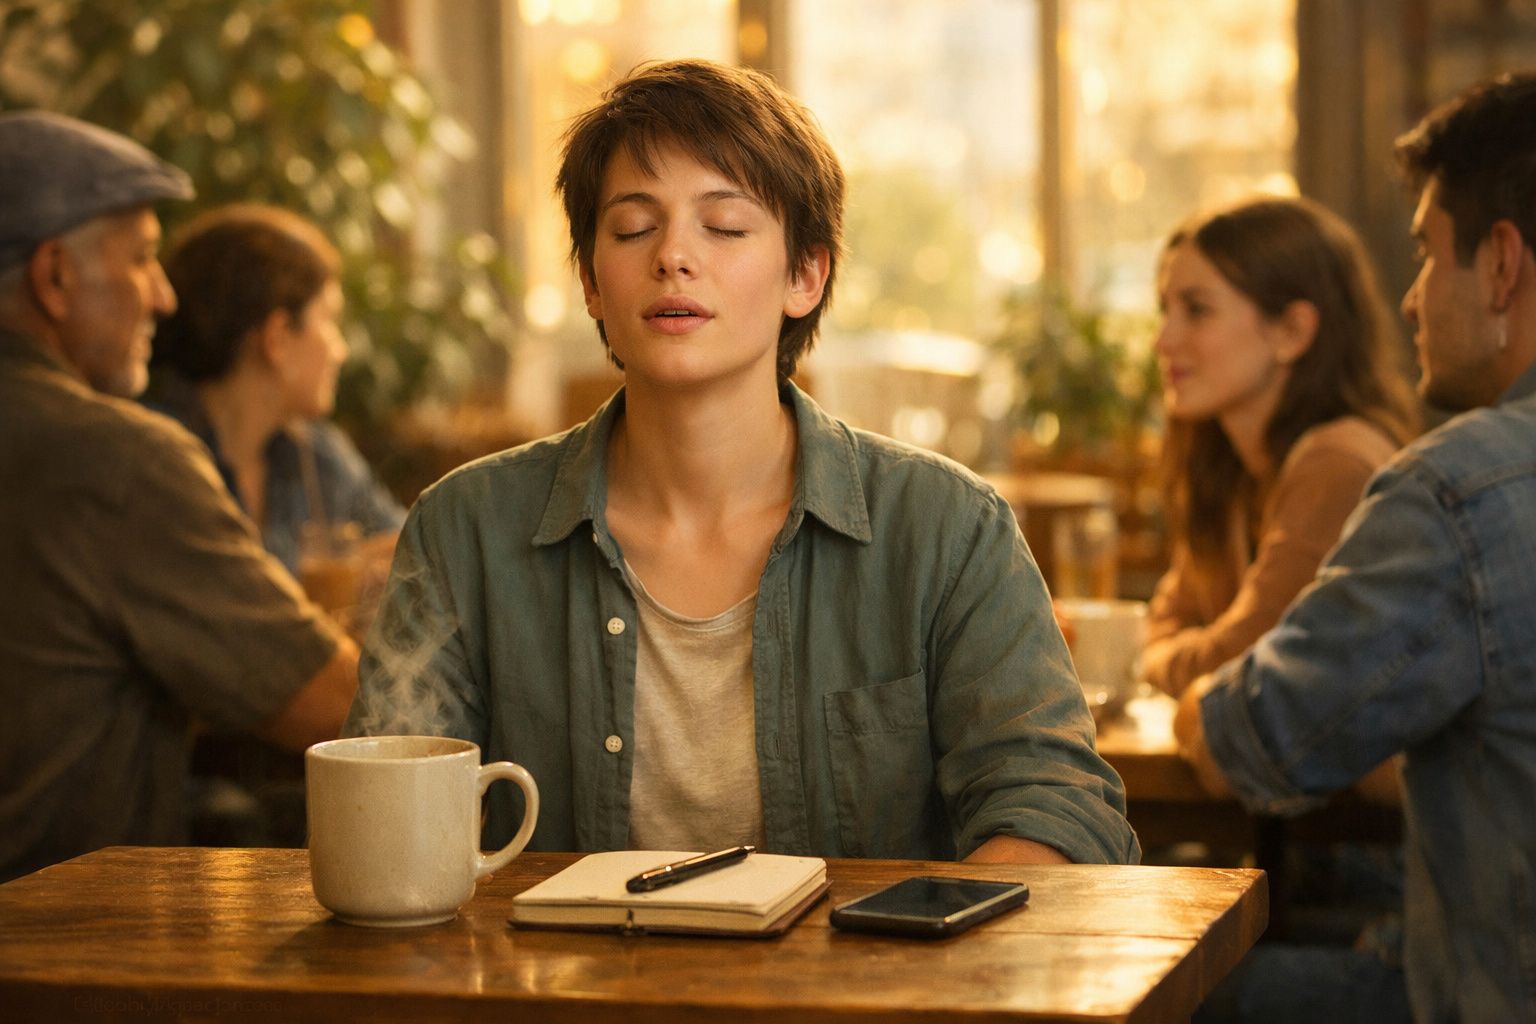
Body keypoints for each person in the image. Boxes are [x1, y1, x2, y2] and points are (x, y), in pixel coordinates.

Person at [345, 60, 1138, 865]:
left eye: (724, 226)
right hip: (562, 989)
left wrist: (909, 961)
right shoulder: (464, 530)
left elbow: (1056, 812)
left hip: (857, 987)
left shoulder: (945, 528)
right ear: (590, 281)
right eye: (631, 229)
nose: (674, 256)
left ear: (805, 274)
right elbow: (381, 820)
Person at [1175, 71, 1536, 1022]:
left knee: (1141, 994)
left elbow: (1255, 738)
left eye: (1426, 256)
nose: (1412, 301)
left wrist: (1193, 693)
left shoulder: (1460, 488)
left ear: (1502, 265)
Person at [0, 111, 358, 883]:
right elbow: (335, 708)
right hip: (59, 953)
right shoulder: (117, 458)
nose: (164, 298)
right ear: (56, 277)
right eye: (141, 259)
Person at [1142, 196, 1419, 697]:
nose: (1164, 339)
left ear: (1292, 331)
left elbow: (1246, 668)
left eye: (1196, 310)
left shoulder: (1336, 462)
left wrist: (1160, 660)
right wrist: (1167, 654)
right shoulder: (1231, 464)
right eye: (1165, 310)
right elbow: (1164, 625)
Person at [145, 204, 404, 580]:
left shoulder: (318, 456)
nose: (341, 349)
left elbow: (414, 549)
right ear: (278, 339)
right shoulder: (154, 461)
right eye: (329, 321)